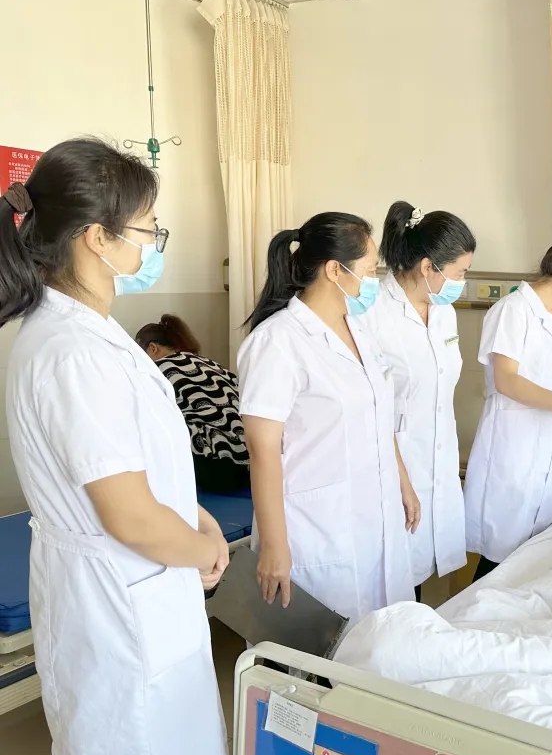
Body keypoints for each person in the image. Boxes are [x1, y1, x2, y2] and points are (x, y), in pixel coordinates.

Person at [0, 139, 228, 755]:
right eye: (148, 227)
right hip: (118, 604)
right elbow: (129, 516)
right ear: (99, 237)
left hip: (135, 591)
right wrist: (205, 550)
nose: (155, 242)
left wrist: (196, 517)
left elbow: (138, 467)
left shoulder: (92, 335)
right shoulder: (74, 352)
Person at [238, 212, 413, 623]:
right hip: (316, 528)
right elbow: (263, 451)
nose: (374, 280)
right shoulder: (276, 342)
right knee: (321, 651)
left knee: (382, 638)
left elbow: (377, 415)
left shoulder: (359, 331)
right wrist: (274, 546)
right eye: (370, 271)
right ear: (335, 270)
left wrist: (402, 481)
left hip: (376, 514)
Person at [464, 217, 552, 581]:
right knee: (499, 565)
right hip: (514, 456)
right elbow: (506, 379)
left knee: (533, 562)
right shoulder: (512, 311)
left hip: (549, 456)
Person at [361, 201, 476, 603]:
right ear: (429, 267)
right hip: (391, 465)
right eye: (460, 273)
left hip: (436, 461)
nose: (463, 281)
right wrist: (401, 479)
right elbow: (369, 407)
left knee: (419, 574)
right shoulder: (372, 312)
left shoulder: (444, 312)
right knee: (391, 578)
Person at [136, 313, 250, 494]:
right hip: (251, 460)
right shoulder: (210, 364)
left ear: (152, 348)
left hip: (218, 469)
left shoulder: (157, 372)